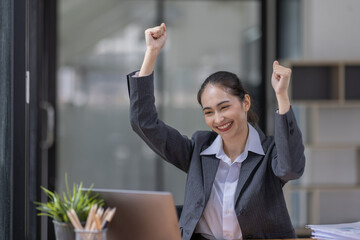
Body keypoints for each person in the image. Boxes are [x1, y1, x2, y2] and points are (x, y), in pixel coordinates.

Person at [127, 23, 305, 240]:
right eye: (209, 112)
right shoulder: (198, 150)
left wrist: (282, 95)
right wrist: (151, 52)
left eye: (224, 107)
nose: (218, 119)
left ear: (245, 102)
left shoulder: (270, 154)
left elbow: (291, 169)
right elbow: (144, 123)